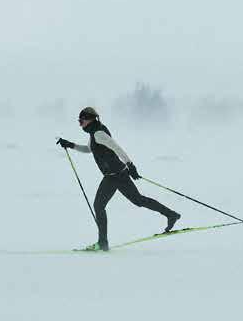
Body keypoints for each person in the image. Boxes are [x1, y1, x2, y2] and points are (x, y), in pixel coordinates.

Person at [57, 106, 180, 251]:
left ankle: (102, 243)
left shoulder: (99, 133)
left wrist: (130, 165)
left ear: (89, 119)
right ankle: (171, 214)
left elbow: (117, 148)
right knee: (136, 200)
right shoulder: (94, 132)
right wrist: (70, 145)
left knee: (102, 205)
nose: (80, 124)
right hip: (116, 175)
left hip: (115, 175)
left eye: (81, 121)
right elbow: (89, 149)